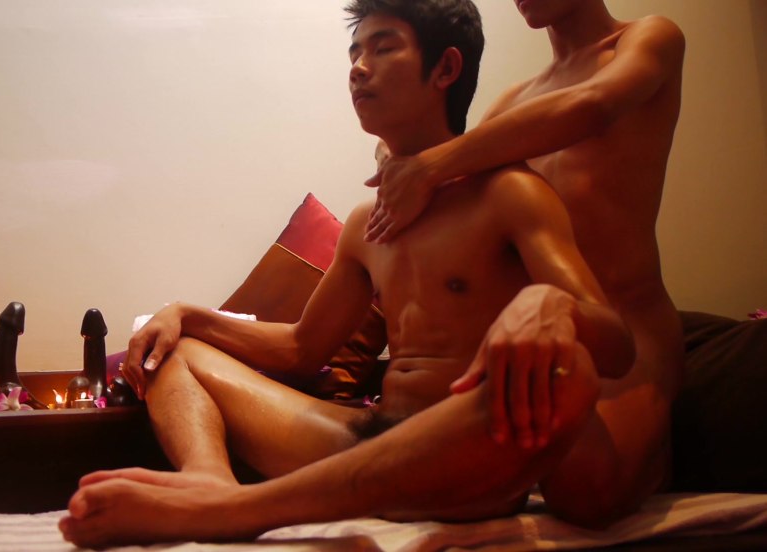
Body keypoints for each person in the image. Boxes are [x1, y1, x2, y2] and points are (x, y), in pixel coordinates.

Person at [59, 1, 637, 546]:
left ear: (445, 69)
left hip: (468, 452)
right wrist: (185, 315)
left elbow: (615, 346)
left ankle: (240, 512)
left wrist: (556, 308)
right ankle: (209, 482)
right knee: (172, 351)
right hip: (370, 437)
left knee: (573, 373)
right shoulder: (367, 223)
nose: (359, 68)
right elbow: (300, 349)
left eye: (383, 48)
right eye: (355, 53)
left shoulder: (510, 193)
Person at [363, 0, 686, 525]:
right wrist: (397, 162)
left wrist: (428, 167)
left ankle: (655, 449)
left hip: (625, 332)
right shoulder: (515, 102)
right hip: (535, 343)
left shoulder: (649, 37)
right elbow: (444, 164)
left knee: (584, 491)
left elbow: (593, 105)